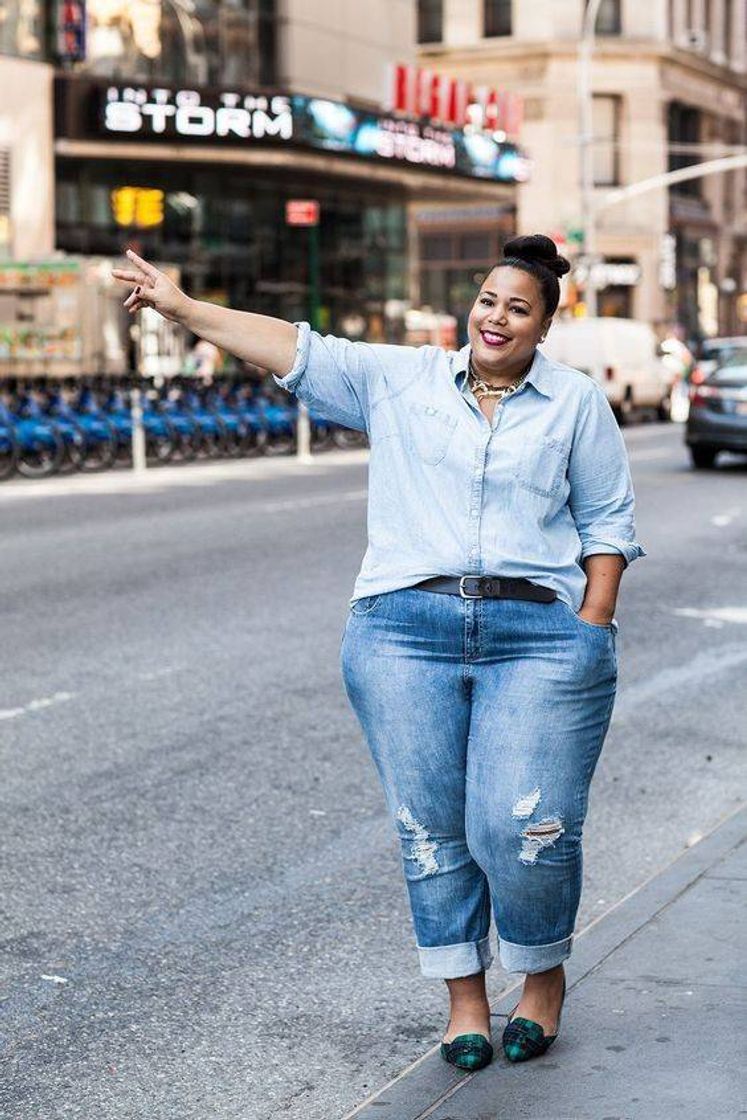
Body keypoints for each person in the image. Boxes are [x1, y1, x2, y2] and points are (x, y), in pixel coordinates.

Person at [111, 234, 645, 1072]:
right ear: (468, 306)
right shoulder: (401, 378)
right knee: (429, 828)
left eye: (517, 307)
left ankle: (541, 974)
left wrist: (591, 622)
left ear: (545, 324)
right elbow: (293, 348)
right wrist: (183, 309)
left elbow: (607, 522)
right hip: (404, 634)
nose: (495, 317)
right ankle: (465, 1000)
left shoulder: (575, 402)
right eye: (486, 299)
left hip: (537, 638)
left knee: (522, 827)